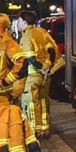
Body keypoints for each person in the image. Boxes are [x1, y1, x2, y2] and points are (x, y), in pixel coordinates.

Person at [17, 11, 58, 139]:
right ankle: (45, 128)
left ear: (24, 22)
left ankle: (35, 130)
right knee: (44, 101)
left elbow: (31, 59)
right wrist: (49, 67)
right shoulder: (42, 32)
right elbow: (52, 49)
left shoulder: (26, 36)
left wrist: (41, 68)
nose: (17, 23)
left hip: (33, 75)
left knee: (31, 103)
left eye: (19, 21)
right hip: (45, 76)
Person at [0, 13, 27, 121]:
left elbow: (22, 63)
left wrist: (5, 81)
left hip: (1, 97)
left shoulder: (8, 43)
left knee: (1, 132)